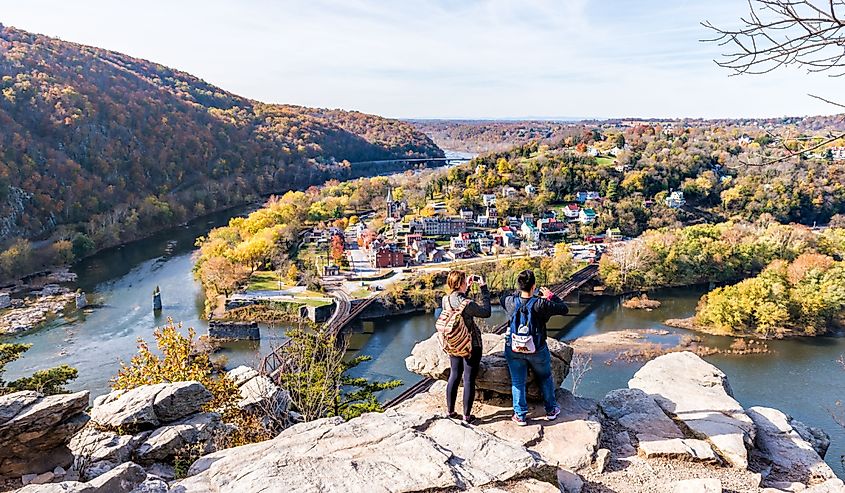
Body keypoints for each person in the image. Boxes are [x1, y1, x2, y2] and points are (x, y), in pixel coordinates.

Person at [500, 269, 569, 426]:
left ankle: (520, 415)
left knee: (518, 381)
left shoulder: (510, 302)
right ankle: (551, 410)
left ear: (519, 285)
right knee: (545, 377)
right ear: (534, 286)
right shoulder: (541, 304)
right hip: (536, 349)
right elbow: (564, 309)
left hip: (515, 349)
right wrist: (551, 296)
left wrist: (515, 293)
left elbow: (502, 296)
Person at [442, 270, 491, 423]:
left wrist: (466, 289)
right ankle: (466, 416)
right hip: (470, 345)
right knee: (468, 379)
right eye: (464, 281)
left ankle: (450, 411)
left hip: (454, 343)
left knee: (454, 375)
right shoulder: (468, 304)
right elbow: (486, 312)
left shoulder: (445, 300)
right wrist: (483, 288)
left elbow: (458, 306)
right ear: (460, 283)